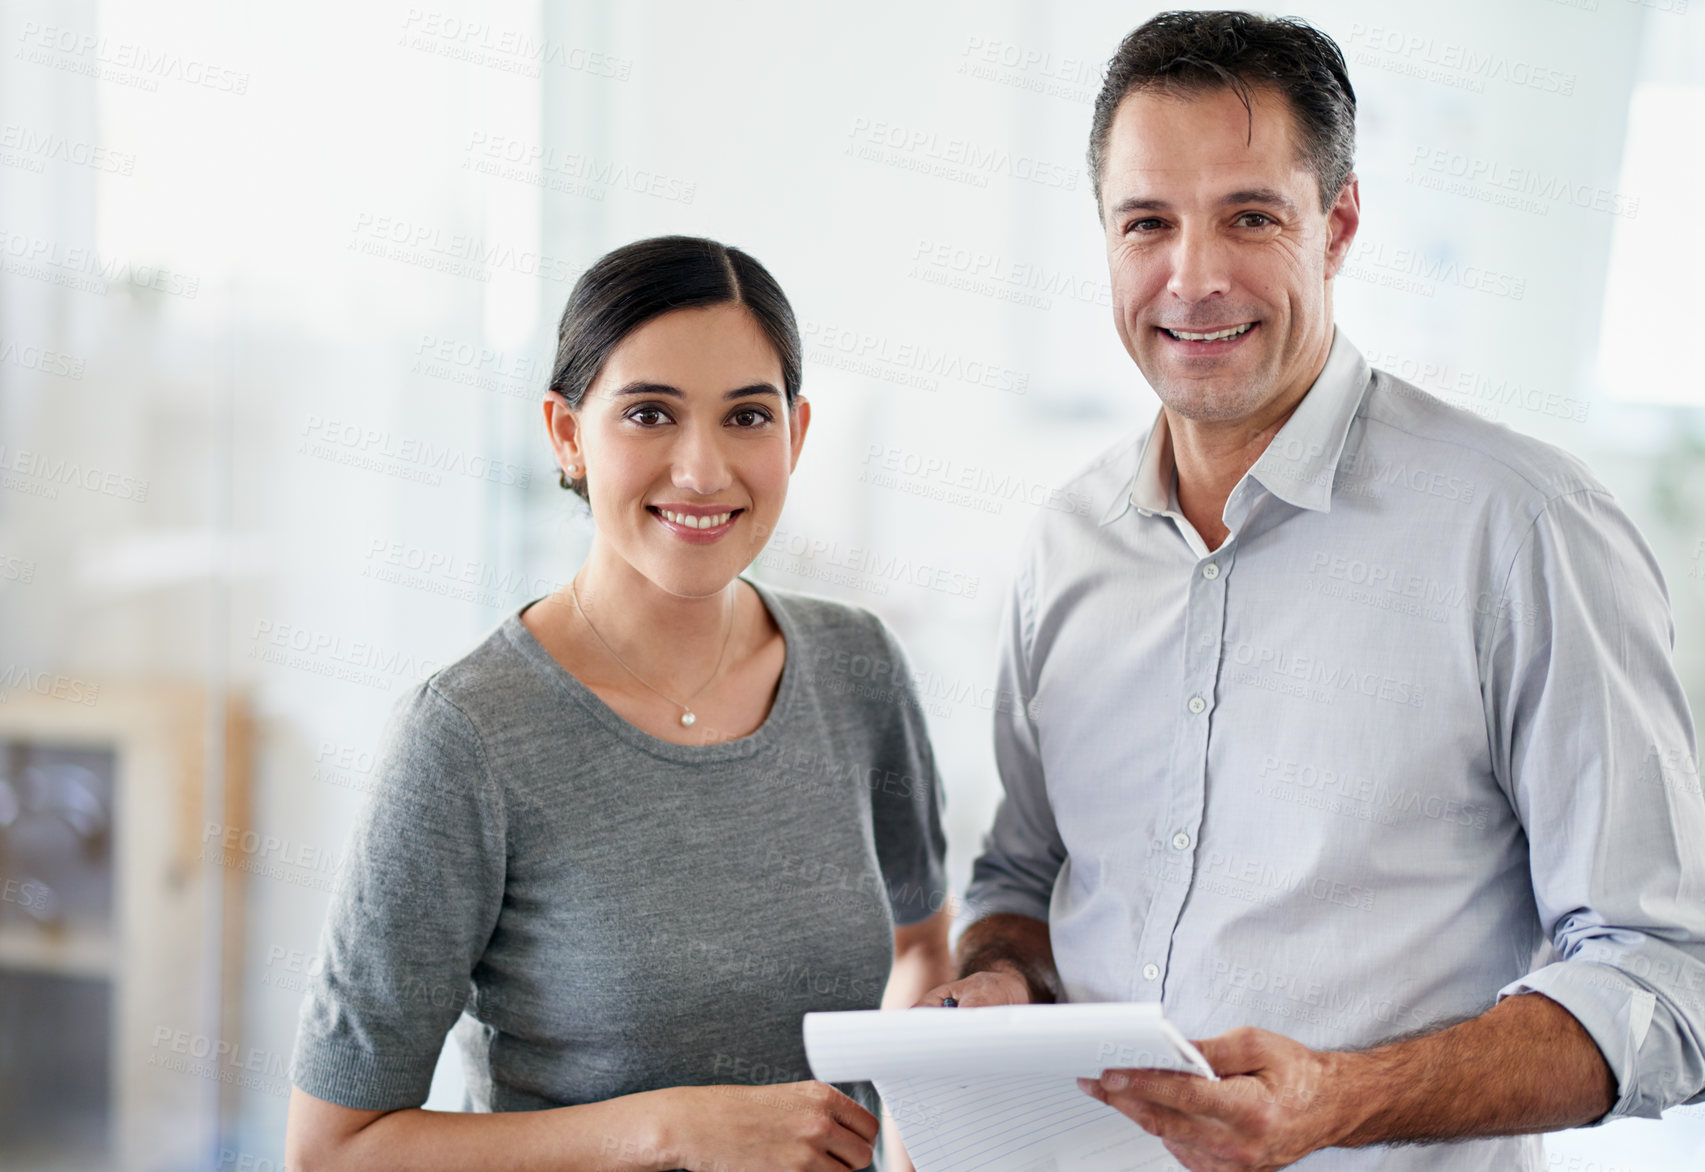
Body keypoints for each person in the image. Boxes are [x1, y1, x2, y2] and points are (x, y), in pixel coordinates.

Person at [922, 11, 1705, 1172]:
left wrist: (1347, 1096)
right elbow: (1022, 876)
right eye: (1148, 223)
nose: (1193, 278)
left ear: (1335, 225)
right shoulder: (1065, 543)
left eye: (1249, 216)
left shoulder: (1523, 528)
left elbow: (1660, 972)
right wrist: (995, 974)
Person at [286, 235, 953, 1172]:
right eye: (649, 414)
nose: (703, 471)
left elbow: (923, 944)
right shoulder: (468, 736)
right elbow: (335, 1151)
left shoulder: (859, 666)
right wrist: (670, 1129)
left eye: (747, 417)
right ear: (567, 435)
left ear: (796, 435)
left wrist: (920, 1122)